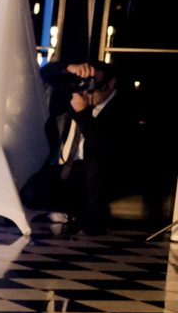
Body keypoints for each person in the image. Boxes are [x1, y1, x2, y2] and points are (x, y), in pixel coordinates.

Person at [26, 60, 140, 234]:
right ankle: (69, 210)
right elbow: (45, 74)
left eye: (95, 84)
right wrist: (69, 68)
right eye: (85, 83)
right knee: (30, 193)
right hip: (66, 167)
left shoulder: (122, 110)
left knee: (91, 168)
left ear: (111, 84)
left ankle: (85, 213)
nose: (88, 91)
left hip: (98, 174)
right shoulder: (75, 96)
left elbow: (104, 147)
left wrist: (83, 114)